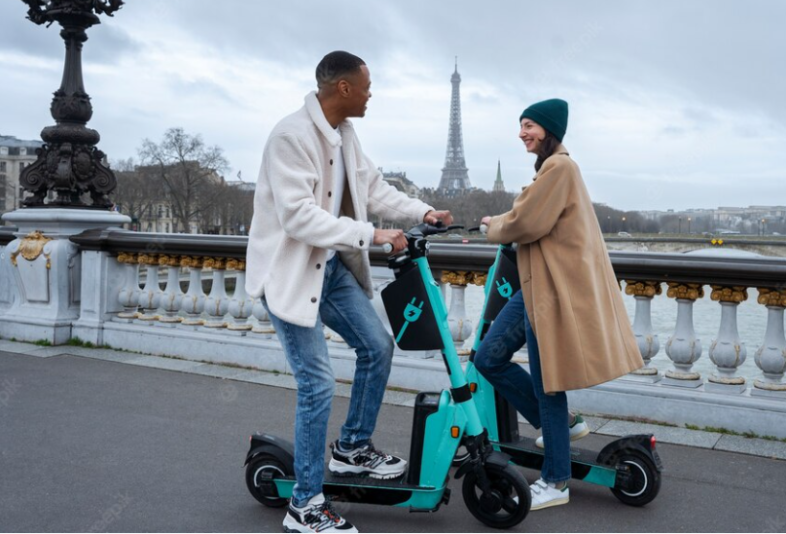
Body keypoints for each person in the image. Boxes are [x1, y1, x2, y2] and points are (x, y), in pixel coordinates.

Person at [246, 51, 453, 534]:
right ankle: (305, 505)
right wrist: (372, 234)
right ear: (344, 87)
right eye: (367, 85)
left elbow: (374, 188)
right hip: (290, 274)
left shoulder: (345, 135)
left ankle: (352, 447)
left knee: (377, 346)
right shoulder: (290, 136)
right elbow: (297, 216)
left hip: (331, 267)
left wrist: (422, 211)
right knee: (317, 383)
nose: (370, 93)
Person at [475, 98, 643, 511]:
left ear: (548, 130)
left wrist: (493, 225)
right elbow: (534, 216)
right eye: (521, 125)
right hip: (535, 287)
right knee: (489, 357)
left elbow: (527, 222)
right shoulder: (552, 168)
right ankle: (564, 426)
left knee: (548, 382)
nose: (522, 133)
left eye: (529, 125)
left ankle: (555, 480)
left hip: (550, 290)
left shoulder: (559, 168)